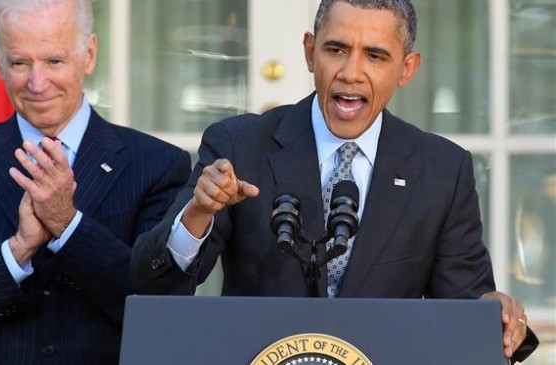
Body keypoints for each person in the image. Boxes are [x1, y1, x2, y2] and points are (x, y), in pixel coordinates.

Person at [130, 0, 538, 362]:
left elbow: (466, 306)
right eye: (336, 49)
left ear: (407, 69)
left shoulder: (442, 170)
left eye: (375, 56)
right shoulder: (239, 146)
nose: (351, 72)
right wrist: (198, 213)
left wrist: (493, 313)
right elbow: (154, 285)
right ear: (310, 52)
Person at [0, 0, 190, 363]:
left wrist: (67, 226)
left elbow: (159, 311)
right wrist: (17, 250)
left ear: (89, 54)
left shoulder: (157, 165)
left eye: (54, 61)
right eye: (20, 63)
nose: (37, 83)